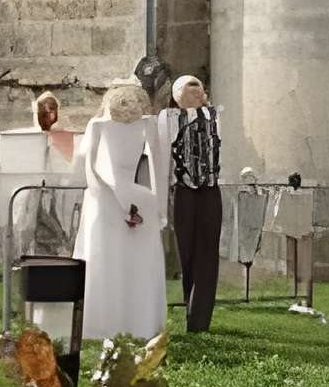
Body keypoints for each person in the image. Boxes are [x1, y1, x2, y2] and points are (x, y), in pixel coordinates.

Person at [73, 80, 168, 343]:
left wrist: (159, 207)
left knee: (135, 263)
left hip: (117, 196)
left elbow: (158, 168)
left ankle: (139, 320)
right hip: (106, 196)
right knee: (106, 259)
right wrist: (136, 202)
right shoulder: (99, 125)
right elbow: (91, 170)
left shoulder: (146, 124)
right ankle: (107, 321)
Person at [169, 73, 222, 334]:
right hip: (183, 190)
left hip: (210, 190)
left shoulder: (216, 116)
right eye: (190, 92)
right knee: (185, 252)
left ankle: (200, 320)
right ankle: (187, 308)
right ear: (177, 98)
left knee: (207, 254)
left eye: (198, 90)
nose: (197, 95)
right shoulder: (169, 120)